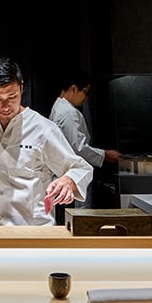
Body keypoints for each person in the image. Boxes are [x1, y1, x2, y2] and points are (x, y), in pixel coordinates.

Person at [0, 57, 93, 226]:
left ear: (21, 86)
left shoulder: (43, 129)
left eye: (12, 96)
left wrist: (69, 180)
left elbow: (81, 168)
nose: (5, 106)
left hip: (35, 233)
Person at [49, 69, 122, 209]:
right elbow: (78, 148)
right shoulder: (68, 113)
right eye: (85, 92)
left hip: (65, 174)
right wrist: (105, 154)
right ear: (74, 88)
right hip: (71, 175)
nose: (85, 97)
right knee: (80, 214)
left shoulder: (59, 107)